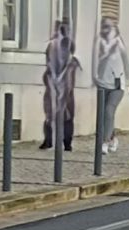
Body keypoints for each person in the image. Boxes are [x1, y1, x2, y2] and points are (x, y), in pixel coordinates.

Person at [93, 16, 129, 155]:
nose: (106, 29)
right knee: (103, 115)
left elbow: (126, 61)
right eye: (104, 26)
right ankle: (112, 138)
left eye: (109, 26)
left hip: (118, 84)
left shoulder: (118, 43)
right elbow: (93, 60)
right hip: (102, 83)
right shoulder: (98, 41)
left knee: (108, 111)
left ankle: (104, 142)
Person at [40, 19, 81, 151]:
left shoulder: (68, 47)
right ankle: (49, 140)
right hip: (53, 84)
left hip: (65, 86)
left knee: (67, 114)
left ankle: (66, 142)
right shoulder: (52, 45)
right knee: (50, 113)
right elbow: (49, 63)